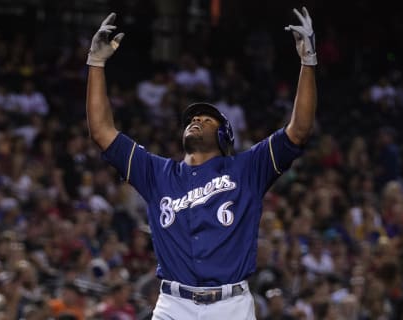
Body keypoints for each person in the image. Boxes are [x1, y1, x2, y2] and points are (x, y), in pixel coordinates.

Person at [85, 6, 317, 320]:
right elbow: (101, 131)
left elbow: (299, 130)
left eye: (205, 119)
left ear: (224, 134)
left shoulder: (248, 169)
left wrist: (307, 62)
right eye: (191, 118)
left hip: (230, 305)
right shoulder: (156, 172)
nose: (195, 120)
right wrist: (96, 64)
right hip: (173, 304)